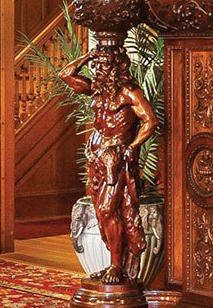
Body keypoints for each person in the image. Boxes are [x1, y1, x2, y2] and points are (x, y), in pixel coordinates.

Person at [58, 43, 157, 285]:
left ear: (116, 66)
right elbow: (65, 75)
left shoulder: (129, 92)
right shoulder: (97, 90)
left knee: (108, 209)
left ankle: (116, 265)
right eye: (97, 64)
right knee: (101, 213)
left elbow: (150, 121)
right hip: (96, 154)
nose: (98, 68)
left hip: (115, 156)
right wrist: (88, 55)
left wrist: (131, 147)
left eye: (104, 64)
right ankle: (115, 264)